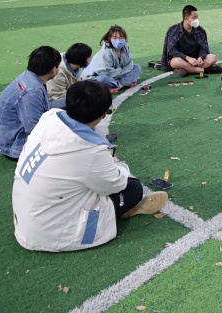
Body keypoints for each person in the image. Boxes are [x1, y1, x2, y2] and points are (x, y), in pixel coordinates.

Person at [12, 80, 168, 252]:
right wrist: (120, 168)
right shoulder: (90, 150)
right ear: (103, 115)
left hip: (25, 220)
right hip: (55, 234)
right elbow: (115, 185)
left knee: (89, 181)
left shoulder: (49, 117)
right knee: (133, 188)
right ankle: (120, 212)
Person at [0, 46, 62, 160]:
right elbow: (34, 128)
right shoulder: (32, 90)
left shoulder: (29, 77)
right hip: (12, 146)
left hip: (7, 137)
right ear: (54, 69)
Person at [160, 5, 221, 77]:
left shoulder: (200, 30)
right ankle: (202, 70)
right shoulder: (174, 30)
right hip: (181, 59)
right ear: (186, 18)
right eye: (194, 18)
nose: (196, 20)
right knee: (175, 62)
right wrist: (188, 58)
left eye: (197, 17)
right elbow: (171, 50)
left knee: (212, 58)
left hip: (196, 60)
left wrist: (201, 57)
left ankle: (188, 70)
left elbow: (204, 47)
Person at [82, 25, 141, 94]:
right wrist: (125, 75)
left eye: (121, 37)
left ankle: (118, 85)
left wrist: (121, 72)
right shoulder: (105, 52)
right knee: (103, 79)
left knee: (137, 68)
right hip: (96, 76)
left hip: (116, 75)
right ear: (109, 38)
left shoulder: (126, 48)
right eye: (115, 37)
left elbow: (130, 65)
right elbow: (106, 72)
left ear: (125, 38)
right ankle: (123, 84)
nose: (118, 40)